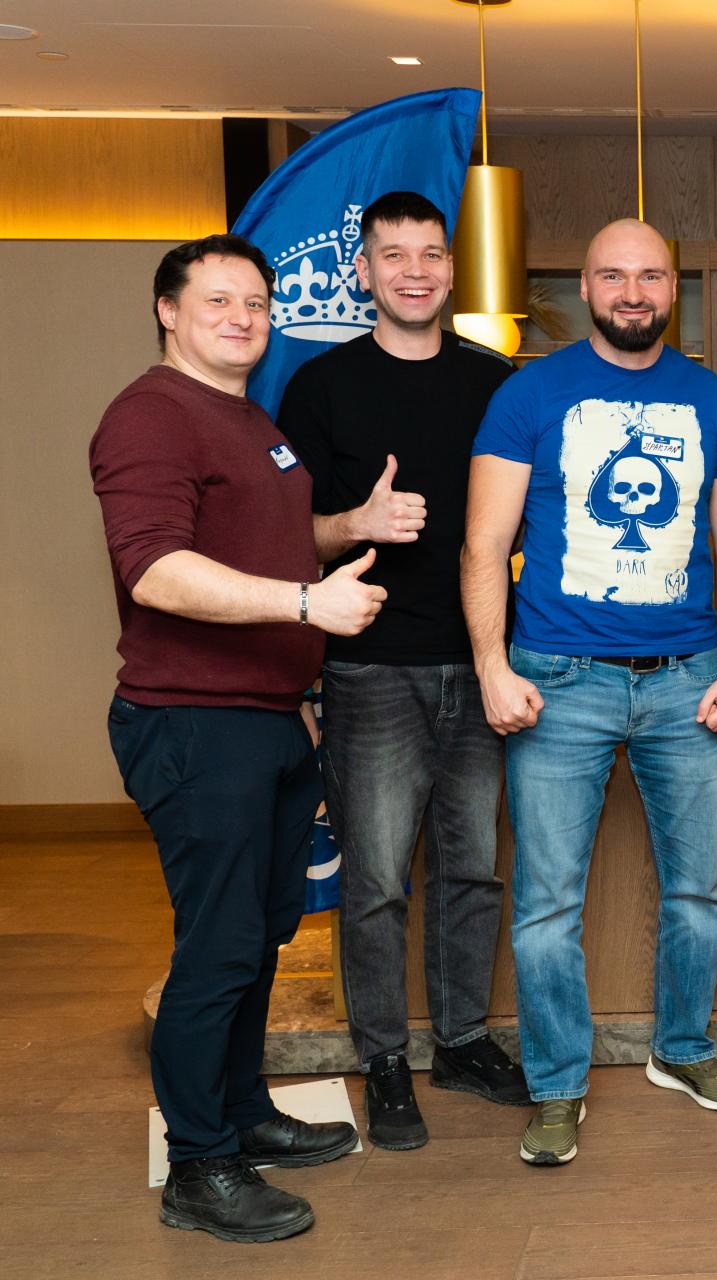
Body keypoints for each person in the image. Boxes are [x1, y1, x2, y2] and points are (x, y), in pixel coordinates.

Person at [90, 235, 380, 1242]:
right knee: (215, 948)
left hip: (266, 717)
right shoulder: (151, 415)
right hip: (191, 722)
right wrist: (306, 603)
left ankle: (244, 1110)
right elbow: (153, 569)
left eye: (256, 301)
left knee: (260, 937)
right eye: (217, 300)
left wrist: (347, 529)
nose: (242, 317)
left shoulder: (251, 419)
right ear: (168, 310)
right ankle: (200, 1164)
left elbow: (268, 544)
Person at [461, 219, 717, 1168]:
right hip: (558, 682)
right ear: (585, 286)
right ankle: (558, 1086)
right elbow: (482, 544)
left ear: (674, 289)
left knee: (700, 891)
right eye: (614, 276)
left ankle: (682, 1049)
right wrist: (492, 666)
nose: (634, 292)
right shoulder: (528, 394)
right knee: (548, 905)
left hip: (686, 682)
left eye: (652, 276)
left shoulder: (709, 397)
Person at [276, 190, 527, 1153]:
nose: (414, 271)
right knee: (378, 879)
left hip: (480, 663)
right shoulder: (320, 386)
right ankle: (383, 1058)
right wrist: (358, 524)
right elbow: (285, 539)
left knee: (472, 871)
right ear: (364, 271)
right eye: (394, 255)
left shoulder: (495, 383)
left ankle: (459, 1042)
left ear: (452, 269)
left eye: (430, 254)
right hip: (370, 669)